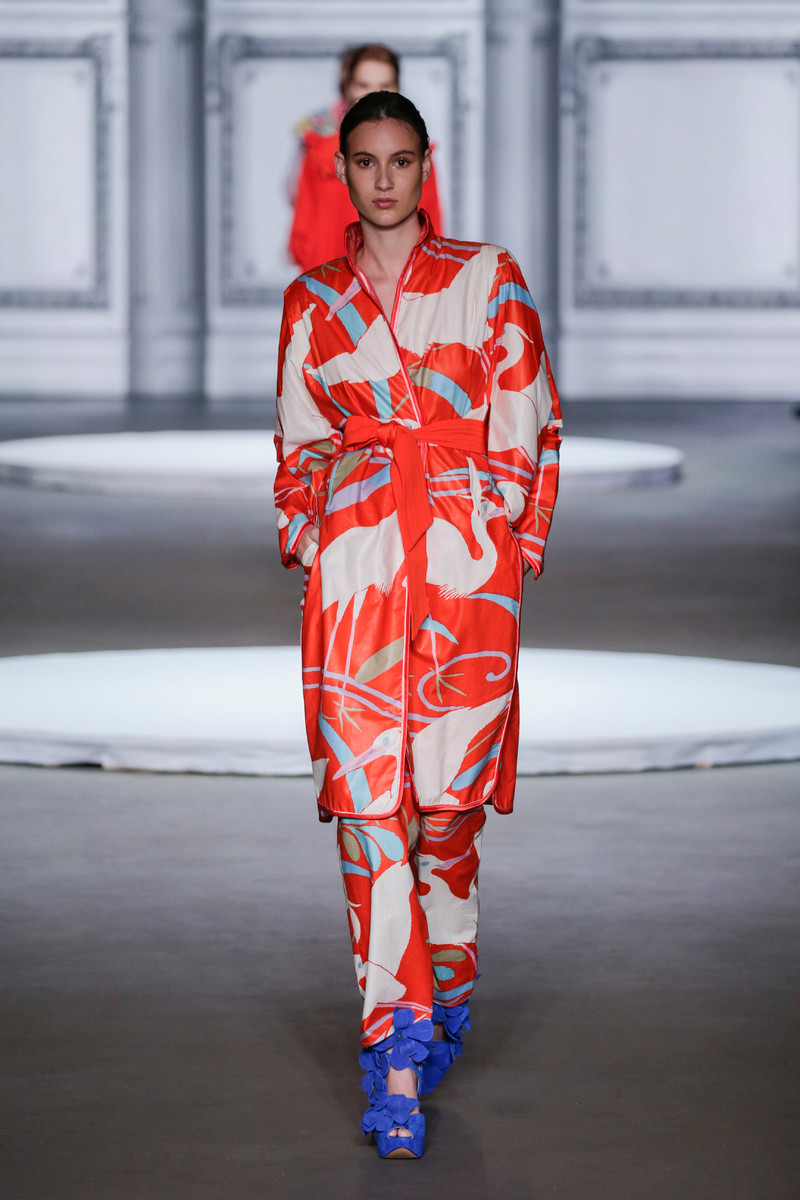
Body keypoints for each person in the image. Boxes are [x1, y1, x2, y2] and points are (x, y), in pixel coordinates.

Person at [274, 91, 562, 1159]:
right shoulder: (313, 301)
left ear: (425, 165)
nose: (384, 179)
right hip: (356, 577)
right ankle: (392, 1056)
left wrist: (502, 547)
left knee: (445, 818)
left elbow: (530, 414)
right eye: (366, 161)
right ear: (342, 171)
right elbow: (298, 443)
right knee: (368, 813)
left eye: (401, 160)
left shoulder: (488, 278)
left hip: (462, 578)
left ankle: (446, 981)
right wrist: (315, 539)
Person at [287, 43, 442, 272]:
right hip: (329, 281)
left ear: (398, 88)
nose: (374, 94)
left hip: (395, 280)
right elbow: (302, 230)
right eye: (364, 85)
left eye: (384, 85)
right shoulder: (318, 149)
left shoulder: (416, 153)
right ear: (348, 87)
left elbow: (431, 227)